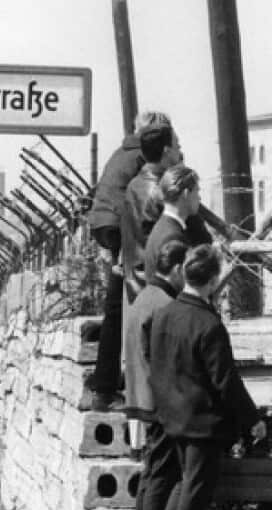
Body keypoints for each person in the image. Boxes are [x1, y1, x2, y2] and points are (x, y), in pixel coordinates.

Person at [147, 244, 265, 510]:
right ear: (213, 282)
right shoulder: (208, 324)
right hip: (201, 421)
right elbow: (225, 381)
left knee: (185, 483)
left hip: (172, 416)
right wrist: (252, 420)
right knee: (197, 488)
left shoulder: (164, 314)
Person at [82, 110, 171, 413]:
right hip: (119, 227)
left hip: (102, 224)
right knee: (125, 307)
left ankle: (102, 385)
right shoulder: (142, 160)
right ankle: (106, 388)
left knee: (116, 305)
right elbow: (135, 200)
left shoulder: (122, 151)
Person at [123, 239, 189, 510]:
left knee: (151, 476)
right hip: (160, 401)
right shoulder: (165, 304)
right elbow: (166, 359)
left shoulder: (143, 298)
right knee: (164, 476)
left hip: (141, 397)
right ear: (177, 269)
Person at [121, 125, 210, 291]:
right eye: (177, 146)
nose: (180, 150)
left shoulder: (134, 184)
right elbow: (201, 239)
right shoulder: (165, 193)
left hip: (136, 280)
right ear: (167, 151)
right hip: (161, 284)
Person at [143, 164, 206, 280]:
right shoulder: (173, 236)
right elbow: (181, 289)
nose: (199, 198)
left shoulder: (164, 226)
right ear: (186, 194)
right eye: (197, 191)